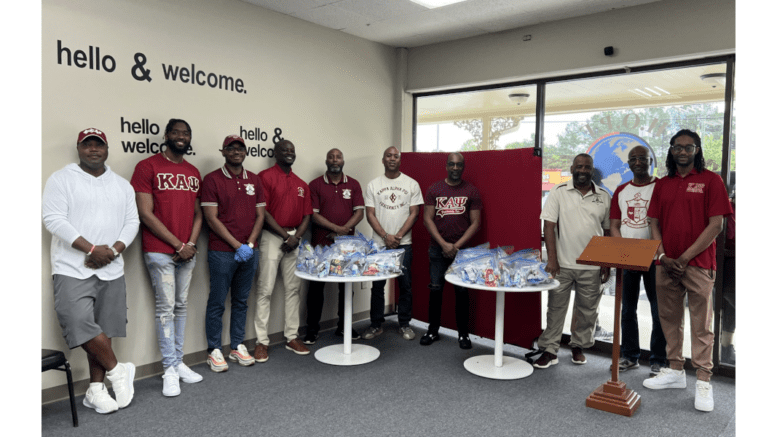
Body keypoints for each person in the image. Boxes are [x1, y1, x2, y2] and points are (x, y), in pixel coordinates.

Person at [43, 128, 139, 414]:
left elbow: (132, 222)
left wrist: (114, 250)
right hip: (72, 267)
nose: (93, 150)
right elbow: (53, 218)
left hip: (112, 266)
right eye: (88, 145)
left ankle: (96, 390)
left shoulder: (122, 185)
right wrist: (90, 249)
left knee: (104, 330)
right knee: (75, 321)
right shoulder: (62, 179)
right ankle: (118, 370)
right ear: (79, 148)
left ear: (107, 149)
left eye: (99, 145)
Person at [642, 129, 732, 413]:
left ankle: (703, 380)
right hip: (666, 264)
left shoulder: (711, 180)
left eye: (688, 147)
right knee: (668, 318)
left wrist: (684, 258)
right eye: (677, 147)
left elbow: (716, 225)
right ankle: (675, 370)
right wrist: (664, 255)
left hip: (699, 264)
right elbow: (653, 221)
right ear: (671, 150)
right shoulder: (663, 184)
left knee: (701, 324)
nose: (682, 151)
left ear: (697, 150)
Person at [131, 118, 204, 397]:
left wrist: (191, 244)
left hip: (188, 250)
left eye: (186, 133)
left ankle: (179, 362)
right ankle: (169, 370)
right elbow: (145, 213)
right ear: (166, 135)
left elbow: (198, 213)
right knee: (165, 309)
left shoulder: (193, 171)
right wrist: (177, 244)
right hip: (160, 251)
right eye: (176, 132)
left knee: (181, 305)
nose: (181, 136)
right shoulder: (147, 166)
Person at [534, 153, 611, 369]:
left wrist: (606, 263)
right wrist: (552, 259)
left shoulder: (604, 196)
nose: (583, 170)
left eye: (587, 167)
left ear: (592, 170)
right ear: (572, 168)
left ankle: (578, 346)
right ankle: (550, 349)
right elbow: (548, 226)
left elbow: (606, 231)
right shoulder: (559, 192)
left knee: (587, 311)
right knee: (555, 309)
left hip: (592, 265)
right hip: (562, 264)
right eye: (579, 166)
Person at [200, 135, 266, 371]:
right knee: (217, 301)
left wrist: (248, 245)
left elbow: (260, 216)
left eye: (240, 148)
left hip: (249, 251)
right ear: (224, 152)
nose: (236, 152)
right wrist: (237, 246)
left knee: (241, 301)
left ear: (245, 152)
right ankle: (214, 349)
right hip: (222, 252)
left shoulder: (255, 181)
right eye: (231, 148)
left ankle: (237, 346)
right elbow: (211, 218)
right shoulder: (212, 180)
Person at [609, 145, 667, 375]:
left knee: (657, 310)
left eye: (642, 158)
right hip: (628, 258)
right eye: (633, 159)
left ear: (650, 160)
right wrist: (624, 250)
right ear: (629, 164)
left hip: (655, 259)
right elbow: (614, 225)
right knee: (627, 310)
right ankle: (630, 356)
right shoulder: (622, 190)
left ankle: (658, 360)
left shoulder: (661, 186)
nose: (638, 161)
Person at [253, 139, 312, 361]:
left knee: (293, 290)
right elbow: (263, 212)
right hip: (271, 237)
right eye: (284, 150)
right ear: (275, 153)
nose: (289, 153)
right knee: (265, 290)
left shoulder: (301, 183)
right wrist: (285, 236)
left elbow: (307, 215)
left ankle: (291, 336)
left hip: (295, 239)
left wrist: (295, 237)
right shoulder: (265, 177)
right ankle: (261, 341)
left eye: (292, 150)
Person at [303, 148, 365, 344]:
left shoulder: (353, 184)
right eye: (331, 157)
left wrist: (343, 229)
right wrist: (337, 228)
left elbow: (359, 212)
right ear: (326, 160)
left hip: (347, 247)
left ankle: (344, 327)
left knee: (346, 287)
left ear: (343, 160)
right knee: (316, 289)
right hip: (321, 247)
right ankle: (312, 329)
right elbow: (313, 214)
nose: (335, 160)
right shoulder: (315, 185)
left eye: (338, 157)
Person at [420, 152, 482, 349]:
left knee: (462, 292)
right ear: (446, 166)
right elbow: (427, 219)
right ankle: (432, 331)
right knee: (435, 290)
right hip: (437, 250)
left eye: (459, 165)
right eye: (452, 165)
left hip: (462, 252)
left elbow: (476, 223)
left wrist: (456, 246)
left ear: (463, 167)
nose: (455, 168)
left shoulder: (471, 191)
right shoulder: (434, 189)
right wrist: (444, 244)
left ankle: (463, 334)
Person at [363, 146, 423, 340]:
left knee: (405, 285)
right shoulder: (373, 184)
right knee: (378, 286)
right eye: (388, 156)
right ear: (383, 160)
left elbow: (415, 213)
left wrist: (397, 236)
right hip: (379, 245)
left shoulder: (411, 184)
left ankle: (404, 324)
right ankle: (375, 324)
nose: (392, 159)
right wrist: (385, 236)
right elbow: (369, 213)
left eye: (396, 156)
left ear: (400, 160)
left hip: (403, 244)